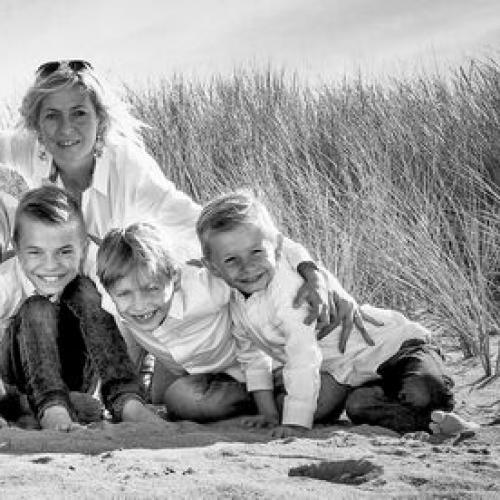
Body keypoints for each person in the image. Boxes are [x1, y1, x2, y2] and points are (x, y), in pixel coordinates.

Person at [0, 59, 372, 346]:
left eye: (79, 113)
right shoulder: (34, 148)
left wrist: (310, 268)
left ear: (101, 119)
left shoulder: (128, 168)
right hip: (60, 277)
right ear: (36, 125)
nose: (66, 129)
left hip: (135, 297)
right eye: (52, 116)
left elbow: (213, 229)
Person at [196, 190, 457, 436]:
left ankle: (434, 403)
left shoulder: (290, 293)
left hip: (393, 348)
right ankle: (413, 412)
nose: (248, 266)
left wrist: (295, 424)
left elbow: (303, 356)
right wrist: (268, 413)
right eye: (231, 260)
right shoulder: (235, 300)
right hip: (347, 372)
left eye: (256, 252)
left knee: (422, 394)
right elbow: (252, 356)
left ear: (275, 247)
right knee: (358, 407)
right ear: (214, 268)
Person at [0, 185, 167, 431]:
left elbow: (123, 317)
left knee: (86, 291)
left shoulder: (94, 262)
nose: (51, 266)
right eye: (35, 252)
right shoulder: (6, 281)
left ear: (83, 244)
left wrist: (135, 378)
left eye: (65, 251)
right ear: (17, 246)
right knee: (38, 307)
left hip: (79, 375)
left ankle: (125, 402)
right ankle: (52, 410)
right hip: (20, 377)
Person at [96, 222, 253, 422]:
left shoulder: (205, 286)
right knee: (163, 397)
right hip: (185, 366)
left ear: (175, 278)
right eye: (125, 294)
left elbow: (258, 266)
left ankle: (260, 396)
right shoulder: (114, 299)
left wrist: (305, 269)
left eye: (151, 289)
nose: (140, 305)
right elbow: (127, 349)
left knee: (184, 400)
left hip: (239, 365)